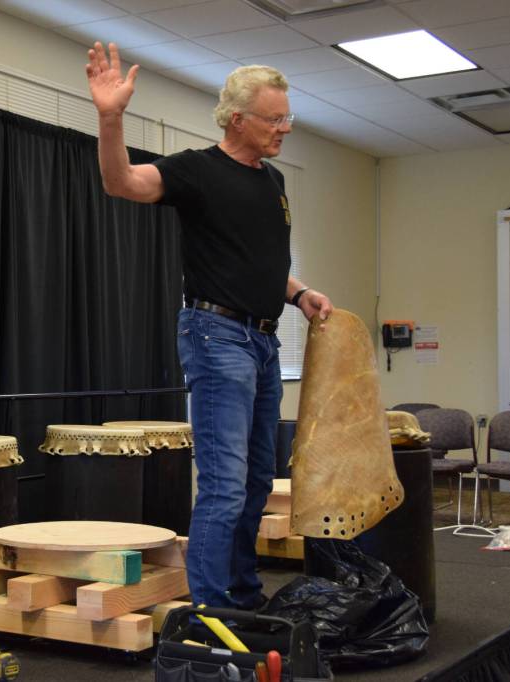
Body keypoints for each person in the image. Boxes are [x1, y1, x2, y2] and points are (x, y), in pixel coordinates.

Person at [86, 41, 334, 610]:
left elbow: (262, 263)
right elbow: (120, 182)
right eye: (276, 119)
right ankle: (210, 610)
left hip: (265, 340)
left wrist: (299, 294)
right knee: (224, 484)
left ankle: (243, 597)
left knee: (253, 483)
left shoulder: (274, 181)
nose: (285, 129)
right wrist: (110, 116)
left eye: (287, 117)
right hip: (216, 336)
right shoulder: (197, 170)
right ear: (237, 118)